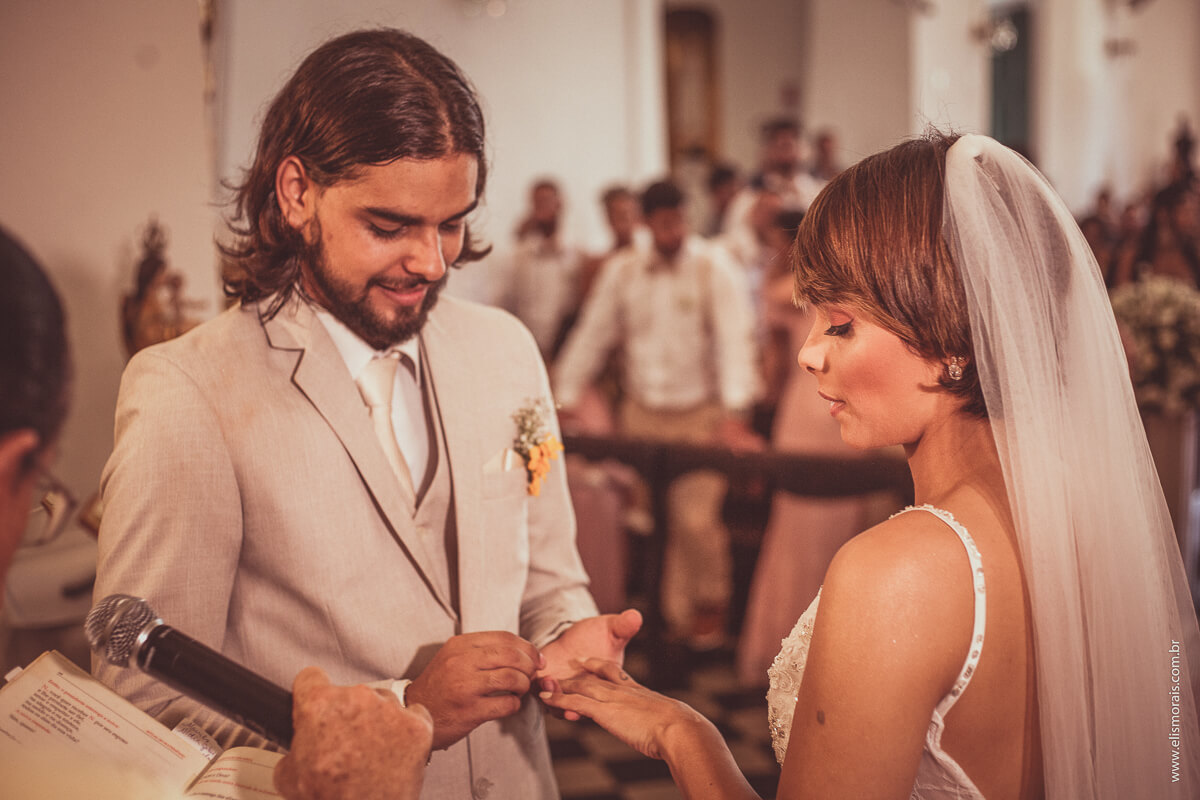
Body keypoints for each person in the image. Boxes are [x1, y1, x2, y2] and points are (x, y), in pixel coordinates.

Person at [542, 132, 1200, 798]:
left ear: (947, 336)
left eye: (840, 323)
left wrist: (683, 735)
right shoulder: (1083, 516)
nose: (808, 355)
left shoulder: (898, 573)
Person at [92, 28, 640, 799]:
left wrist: (568, 634)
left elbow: (548, 579)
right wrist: (405, 711)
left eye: (451, 222)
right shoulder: (188, 393)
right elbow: (140, 701)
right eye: (389, 227)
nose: (433, 262)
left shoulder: (506, 350)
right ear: (296, 195)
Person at [555, 179, 761, 646]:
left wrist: (735, 410)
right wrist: (562, 399)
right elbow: (593, 333)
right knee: (655, 523)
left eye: (680, 221)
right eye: (663, 223)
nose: (673, 232)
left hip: (699, 413)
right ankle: (673, 622)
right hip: (641, 415)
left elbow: (735, 340)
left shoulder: (714, 265)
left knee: (694, 519)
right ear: (647, 223)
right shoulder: (624, 270)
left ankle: (710, 602)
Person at [502, 178, 583, 358]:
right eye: (537, 202)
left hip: (565, 346)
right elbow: (509, 300)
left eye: (547, 200)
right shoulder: (520, 256)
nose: (543, 207)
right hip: (529, 345)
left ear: (560, 203)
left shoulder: (576, 252)